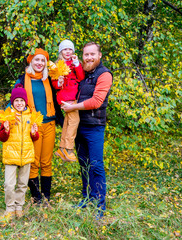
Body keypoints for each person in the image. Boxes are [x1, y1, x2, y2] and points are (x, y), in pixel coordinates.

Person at [61, 42, 113, 219]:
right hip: (79, 126)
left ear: (99, 56)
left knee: (96, 164)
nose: (89, 57)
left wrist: (72, 106)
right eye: (86, 55)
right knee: (83, 163)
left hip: (95, 127)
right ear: (82, 56)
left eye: (92, 54)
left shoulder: (104, 75)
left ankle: (100, 204)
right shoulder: (81, 72)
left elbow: (96, 101)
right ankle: (87, 197)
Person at [11, 48, 62, 205]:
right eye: (37, 60)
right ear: (31, 61)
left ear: (46, 63)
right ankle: (36, 197)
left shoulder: (50, 79)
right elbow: (14, 100)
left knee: (46, 162)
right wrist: (8, 117)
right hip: (32, 125)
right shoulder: (22, 80)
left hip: (50, 124)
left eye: (43, 60)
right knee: (34, 162)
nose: (40, 63)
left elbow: (61, 94)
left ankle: (46, 196)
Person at [0, 84, 39, 220]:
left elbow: (35, 137)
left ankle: (18, 206)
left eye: (22, 100)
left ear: (25, 102)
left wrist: (34, 133)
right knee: (9, 184)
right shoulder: (7, 116)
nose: (19, 103)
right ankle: (10, 207)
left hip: (26, 155)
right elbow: (2, 138)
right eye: (17, 101)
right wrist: (6, 129)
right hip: (11, 155)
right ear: (12, 102)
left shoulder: (31, 116)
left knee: (22, 184)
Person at [52, 39, 85, 162]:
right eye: (65, 49)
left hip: (74, 96)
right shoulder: (57, 65)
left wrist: (77, 64)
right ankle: (69, 148)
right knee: (74, 121)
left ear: (73, 51)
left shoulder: (75, 63)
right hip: (66, 97)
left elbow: (81, 77)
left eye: (70, 49)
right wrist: (59, 82)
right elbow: (55, 84)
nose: (68, 51)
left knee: (68, 122)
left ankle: (62, 148)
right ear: (61, 51)